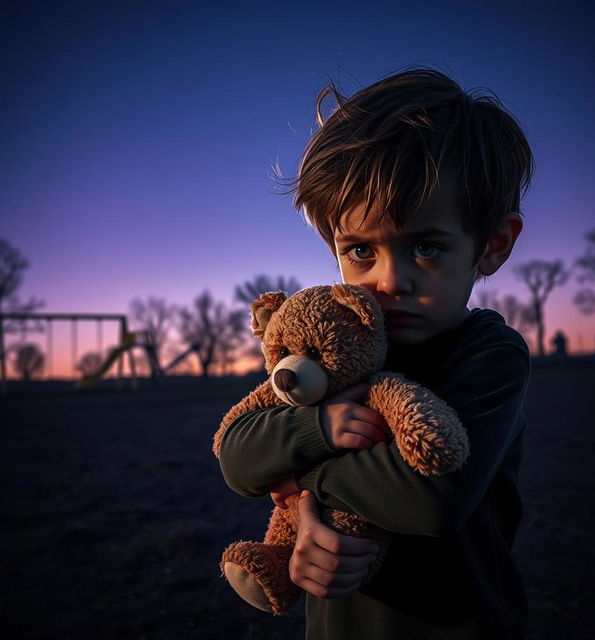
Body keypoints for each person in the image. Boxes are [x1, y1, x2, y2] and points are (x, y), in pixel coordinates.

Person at [217, 67, 534, 639]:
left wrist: (301, 485)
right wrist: (316, 433)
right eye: (361, 249)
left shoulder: (490, 354)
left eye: (427, 246)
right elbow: (238, 459)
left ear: (491, 245)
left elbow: (432, 499)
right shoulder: (334, 354)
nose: (389, 280)